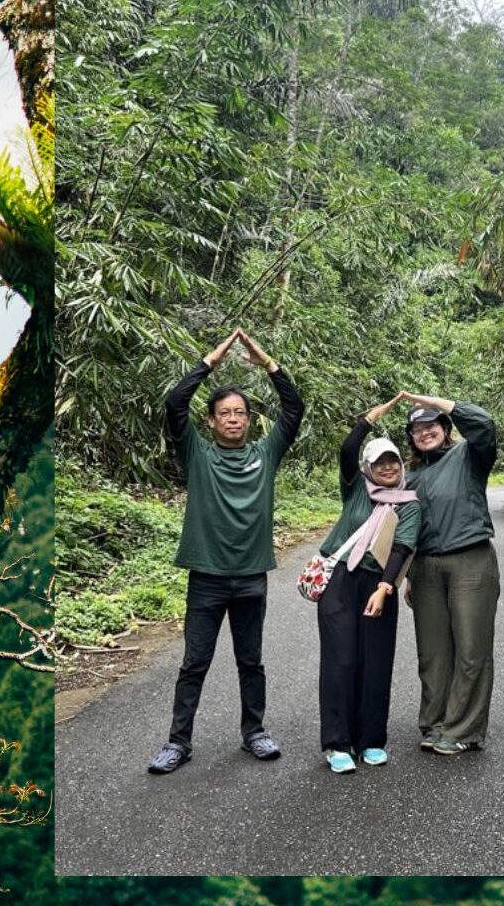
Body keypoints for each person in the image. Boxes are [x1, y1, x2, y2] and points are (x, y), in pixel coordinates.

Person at [149, 328, 305, 775]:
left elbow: (294, 409)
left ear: (250, 421)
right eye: (225, 413)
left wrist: (268, 363)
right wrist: (210, 362)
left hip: (251, 575)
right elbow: (175, 404)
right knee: (194, 663)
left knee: (250, 660)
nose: (233, 418)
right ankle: (178, 742)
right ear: (213, 422)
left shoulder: (267, 452)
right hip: (207, 577)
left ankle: (254, 732)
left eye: (240, 412)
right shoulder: (197, 453)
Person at [316, 394, 423, 773]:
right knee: (340, 659)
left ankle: (372, 740)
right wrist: (370, 420)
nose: (388, 467)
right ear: (368, 467)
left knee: (376, 661)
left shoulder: (409, 502)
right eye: (380, 462)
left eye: (393, 460)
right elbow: (347, 448)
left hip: (381, 584)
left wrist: (384, 587)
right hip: (341, 580)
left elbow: (403, 546)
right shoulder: (355, 488)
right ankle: (337, 743)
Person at [400, 390, 501, 754]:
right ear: (410, 437)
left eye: (432, 425)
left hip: (470, 560)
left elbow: (485, 424)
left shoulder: (469, 455)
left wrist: (432, 400)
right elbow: (405, 528)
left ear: (445, 427)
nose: (425, 432)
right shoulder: (410, 476)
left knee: (471, 647)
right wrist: (408, 574)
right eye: (417, 429)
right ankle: (435, 721)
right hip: (426, 566)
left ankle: (463, 729)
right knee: (433, 652)